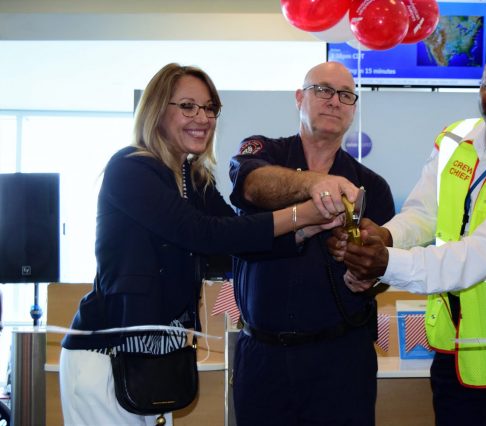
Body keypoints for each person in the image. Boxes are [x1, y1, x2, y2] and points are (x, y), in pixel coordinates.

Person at [59, 63, 337, 425]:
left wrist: (303, 232)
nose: (202, 117)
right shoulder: (130, 168)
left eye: (209, 108)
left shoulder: (194, 177)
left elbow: (230, 244)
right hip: (106, 357)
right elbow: (202, 234)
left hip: (160, 356)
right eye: (188, 106)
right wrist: (300, 214)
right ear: (158, 111)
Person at [330, 47, 486, 425]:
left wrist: (388, 263)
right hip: (452, 350)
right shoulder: (454, 140)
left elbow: (478, 256)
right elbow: (423, 214)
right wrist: (386, 236)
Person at [228, 61, 395, 426]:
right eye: (323, 90)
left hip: (341, 361)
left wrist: (366, 276)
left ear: (353, 109)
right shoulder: (263, 154)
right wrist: (314, 185)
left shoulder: (372, 187)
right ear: (300, 97)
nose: (335, 101)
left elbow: (382, 265)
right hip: (262, 358)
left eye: (346, 95)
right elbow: (251, 186)